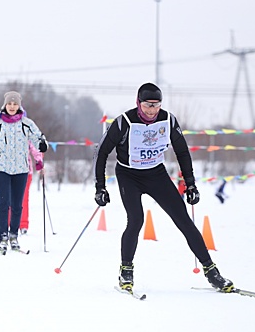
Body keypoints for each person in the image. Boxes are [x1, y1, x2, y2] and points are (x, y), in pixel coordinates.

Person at [93, 82, 234, 293]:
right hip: (128, 175)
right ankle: (126, 271)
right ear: (138, 103)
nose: (152, 110)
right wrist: (100, 187)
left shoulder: (168, 120)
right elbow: (102, 152)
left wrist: (191, 184)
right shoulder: (124, 122)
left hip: (156, 174)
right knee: (136, 220)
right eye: (147, 105)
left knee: (183, 219)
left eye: (156, 105)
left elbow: (182, 152)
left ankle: (212, 272)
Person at [0, 91, 48, 254]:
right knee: (3, 203)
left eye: (15, 104)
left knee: (17, 205)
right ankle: (3, 237)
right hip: (1, 169)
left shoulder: (26, 123)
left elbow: (38, 137)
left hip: (21, 169)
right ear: (5, 105)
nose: (12, 107)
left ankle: (14, 235)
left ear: (19, 106)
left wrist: (43, 144)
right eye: (10, 104)